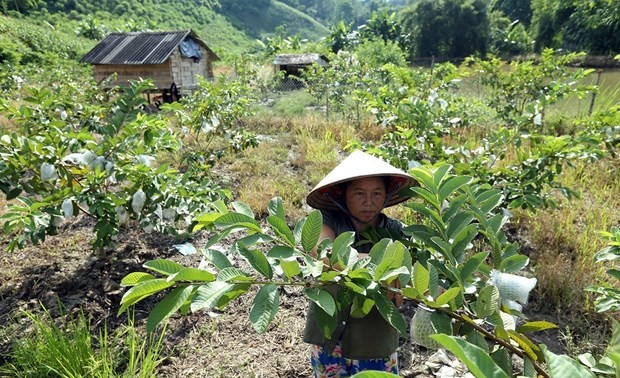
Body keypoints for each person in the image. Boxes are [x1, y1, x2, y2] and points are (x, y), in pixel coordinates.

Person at [303, 150, 416, 377]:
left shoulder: (396, 232)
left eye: (377, 193)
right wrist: (377, 265)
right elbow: (325, 255)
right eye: (358, 193)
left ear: (386, 195)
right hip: (330, 332)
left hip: (375, 339)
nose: (368, 202)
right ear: (343, 194)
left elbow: (409, 277)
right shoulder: (327, 220)